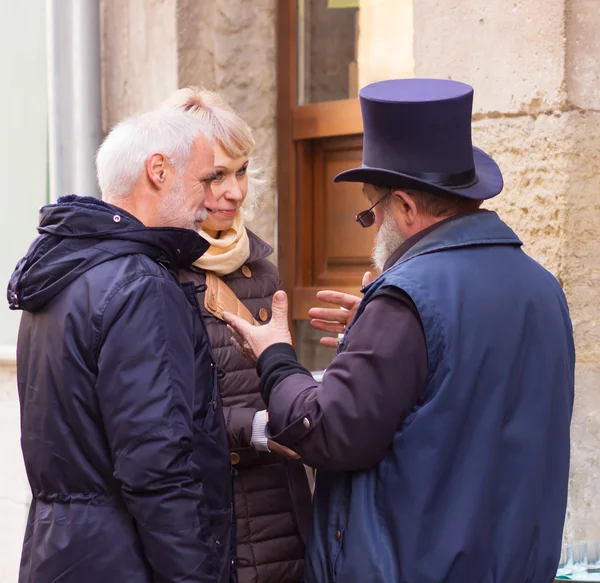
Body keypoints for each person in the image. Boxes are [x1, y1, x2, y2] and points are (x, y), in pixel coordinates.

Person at [223, 79, 576, 583]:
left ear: (406, 207)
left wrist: (276, 356)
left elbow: (329, 432)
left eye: (372, 210)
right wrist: (375, 332)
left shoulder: (407, 297)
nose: (374, 226)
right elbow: (457, 393)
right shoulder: (541, 287)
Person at [7, 109, 235, 583]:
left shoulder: (69, 271)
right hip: (125, 560)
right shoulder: (138, 285)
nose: (212, 198)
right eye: (206, 178)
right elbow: (157, 467)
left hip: (63, 553)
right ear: (159, 171)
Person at [163, 88, 312, 583]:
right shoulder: (154, 273)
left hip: (280, 506)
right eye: (216, 176)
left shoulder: (260, 269)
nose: (236, 191)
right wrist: (253, 427)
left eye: (242, 171)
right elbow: (154, 415)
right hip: (209, 517)